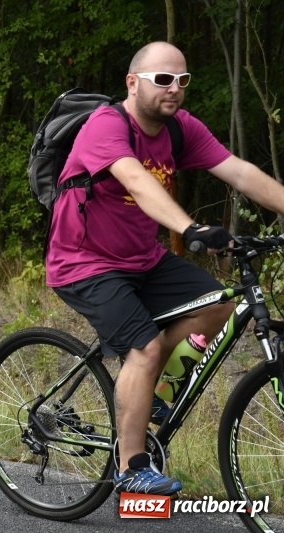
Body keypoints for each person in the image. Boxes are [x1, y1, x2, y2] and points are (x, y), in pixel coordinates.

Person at [45, 41, 284, 495]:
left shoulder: (180, 128)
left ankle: (148, 395)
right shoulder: (105, 126)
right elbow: (134, 176)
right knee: (146, 347)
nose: (175, 89)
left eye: (182, 80)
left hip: (143, 259)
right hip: (84, 262)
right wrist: (190, 227)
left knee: (217, 306)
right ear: (132, 83)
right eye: (163, 79)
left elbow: (238, 171)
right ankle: (132, 465)